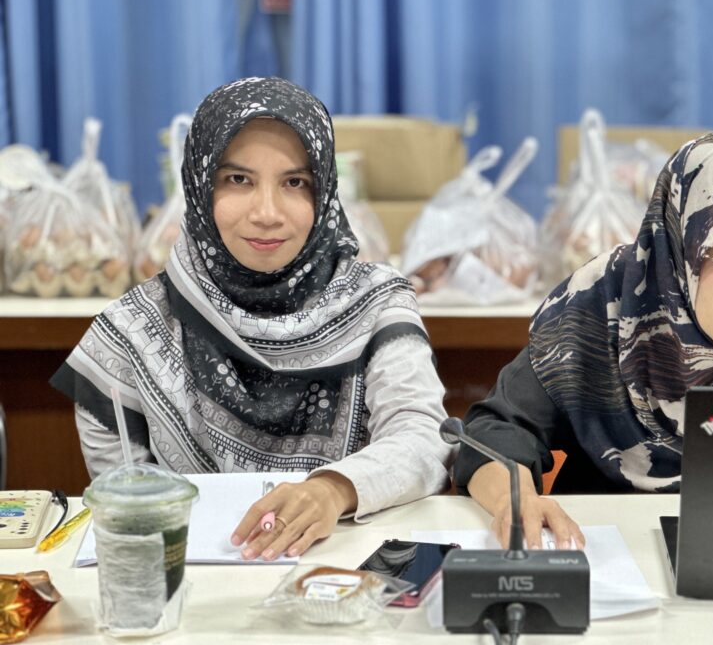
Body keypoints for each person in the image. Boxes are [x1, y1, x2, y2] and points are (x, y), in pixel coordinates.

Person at [52, 77, 453, 560]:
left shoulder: (376, 302)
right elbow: (130, 520)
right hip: (193, 591)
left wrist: (333, 489)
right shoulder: (127, 336)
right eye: (238, 180)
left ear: (324, 192)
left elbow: (424, 438)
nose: (267, 213)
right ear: (200, 187)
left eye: (294, 183)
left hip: (347, 580)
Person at [453, 130, 713, 551]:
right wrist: (514, 500)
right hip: (603, 556)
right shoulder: (598, 309)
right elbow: (497, 431)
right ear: (680, 251)